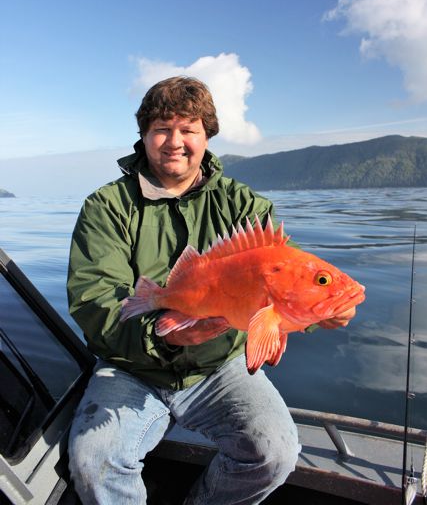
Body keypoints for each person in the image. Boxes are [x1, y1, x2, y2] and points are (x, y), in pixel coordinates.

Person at [67, 76, 355, 504]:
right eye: (162, 128)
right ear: (144, 135)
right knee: (94, 464)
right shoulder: (106, 207)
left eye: (189, 129)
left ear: (206, 136)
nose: (174, 141)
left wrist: (326, 310)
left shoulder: (245, 206)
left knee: (275, 454)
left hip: (219, 366)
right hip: (131, 366)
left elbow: (288, 280)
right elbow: (93, 299)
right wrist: (160, 337)